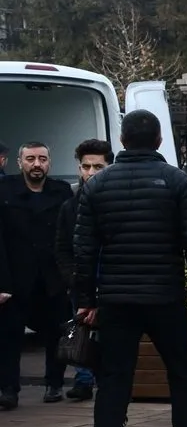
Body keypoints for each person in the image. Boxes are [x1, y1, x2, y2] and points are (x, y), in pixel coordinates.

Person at [74, 110, 187, 427]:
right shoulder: (177, 182)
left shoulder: (97, 186)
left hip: (116, 299)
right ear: (159, 141)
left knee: (113, 381)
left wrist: (85, 299)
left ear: (121, 142)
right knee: (181, 375)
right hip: (164, 296)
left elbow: (84, 250)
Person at [0, 142, 74, 408]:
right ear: (20, 163)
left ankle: (54, 384)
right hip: (16, 277)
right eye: (30, 159)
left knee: (56, 333)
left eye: (42, 158)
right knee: (9, 336)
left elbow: (69, 235)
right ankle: (8, 389)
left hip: (53, 277)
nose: (36, 164)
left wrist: (70, 276)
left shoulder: (62, 191)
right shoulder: (5, 190)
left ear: (49, 163)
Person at [55, 139, 114, 402]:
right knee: (81, 334)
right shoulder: (70, 207)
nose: (90, 172)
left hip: (113, 284)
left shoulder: (117, 203)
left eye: (97, 167)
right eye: (86, 166)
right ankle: (83, 379)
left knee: (110, 344)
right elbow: (62, 248)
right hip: (81, 283)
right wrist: (73, 279)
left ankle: (109, 395)